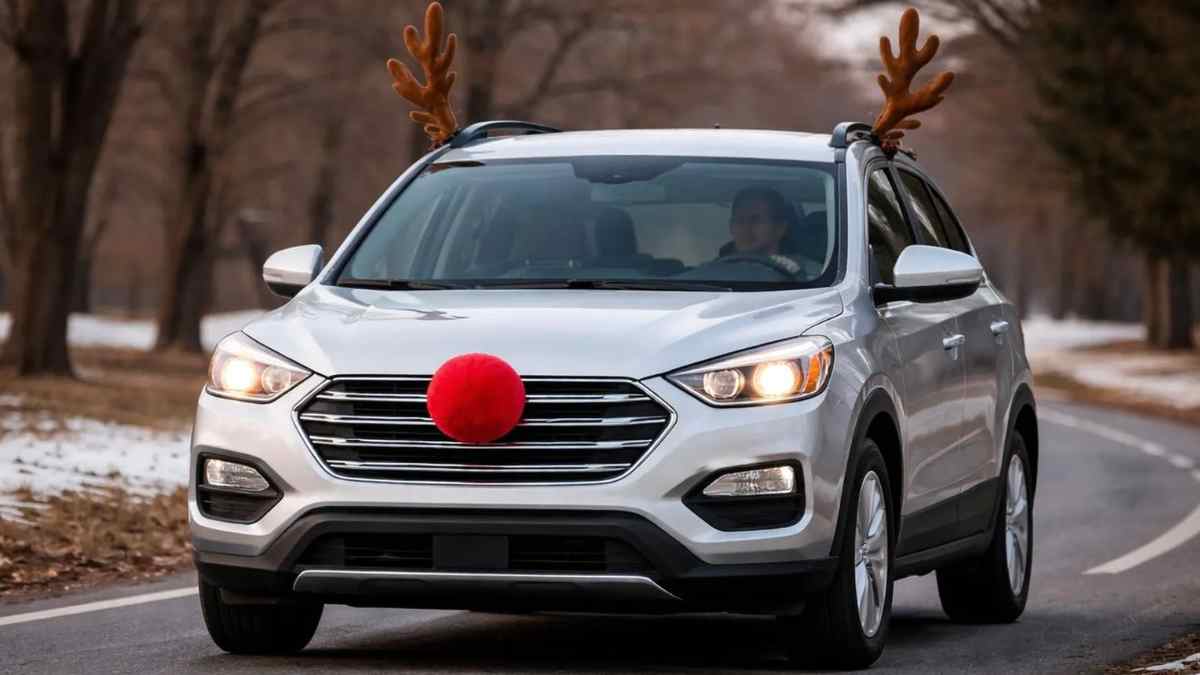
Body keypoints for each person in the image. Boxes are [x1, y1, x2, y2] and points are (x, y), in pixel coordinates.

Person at [725, 186, 794, 256]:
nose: (746, 227)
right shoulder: (717, 266)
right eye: (740, 221)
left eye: (755, 220)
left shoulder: (800, 266)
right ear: (731, 227)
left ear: (780, 228)